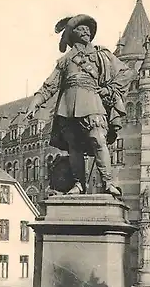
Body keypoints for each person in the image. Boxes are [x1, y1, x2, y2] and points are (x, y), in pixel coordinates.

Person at [24, 14, 137, 196]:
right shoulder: (65, 61)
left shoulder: (101, 54)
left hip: (92, 101)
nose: (86, 30)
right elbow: (49, 86)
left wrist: (109, 90)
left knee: (98, 139)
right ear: (70, 35)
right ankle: (78, 185)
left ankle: (108, 182)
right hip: (67, 106)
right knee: (74, 147)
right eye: (80, 28)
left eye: (88, 28)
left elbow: (127, 73)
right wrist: (35, 104)